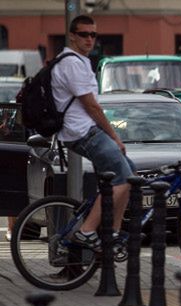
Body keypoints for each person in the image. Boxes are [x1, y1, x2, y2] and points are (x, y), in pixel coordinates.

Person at [52, 15, 134, 253]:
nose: (89, 39)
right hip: (82, 132)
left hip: (85, 130)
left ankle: (114, 233)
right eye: (84, 34)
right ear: (72, 36)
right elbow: (91, 106)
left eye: (93, 35)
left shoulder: (80, 61)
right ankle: (87, 231)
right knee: (122, 178)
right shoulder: (72, 63)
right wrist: (115, 137)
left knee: (129, 176)